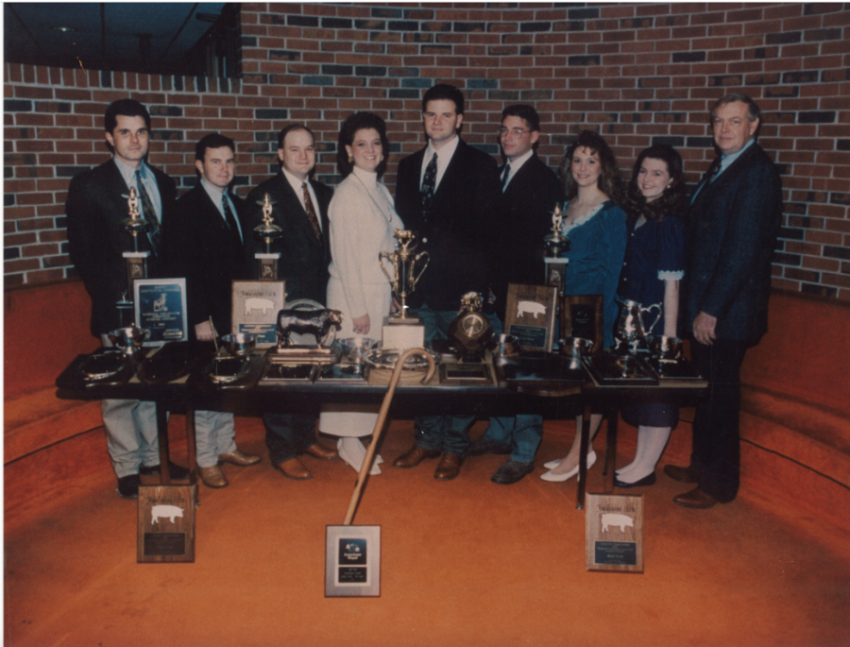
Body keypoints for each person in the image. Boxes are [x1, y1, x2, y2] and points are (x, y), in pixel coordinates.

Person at [66, 98, 188, 499]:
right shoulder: (89, 185)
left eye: (141, 131)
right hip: (118, 306)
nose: (135, 139)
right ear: (108, 137)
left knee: (158, 384)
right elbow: (83, 255)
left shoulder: (164, 183)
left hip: (162, 307)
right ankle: (127, 468)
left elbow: (170, 250)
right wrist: (113, 304)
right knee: (121, 391)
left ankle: (156, 456)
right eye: (125, 131)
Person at [665, 93, 782, 509]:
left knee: (719, 398)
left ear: (754, 126)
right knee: (707, 392)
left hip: (727, 313)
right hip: (714, 307)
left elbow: (741, 252)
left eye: (735, 121)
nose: (724, 129)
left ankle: (718, 484)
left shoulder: (756, 174)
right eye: (718, 121)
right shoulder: (725, 166)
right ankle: (701, 465)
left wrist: (710, 309)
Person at [392, 83, 500, 481]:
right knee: (421, 366)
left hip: (461, 291)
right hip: (418, 290)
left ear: (460, 120)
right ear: (423, 118)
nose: (437, 121)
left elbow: (488, 235)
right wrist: (399, 287)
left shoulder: (480, 165)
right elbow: (404, 234)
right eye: (430, 113)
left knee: (460, 370)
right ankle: (426, 439)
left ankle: (455, 446)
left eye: (445, 114)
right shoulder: (407, 167)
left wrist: (475, 292)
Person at [465, 105, 564, 484]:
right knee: (499, 367)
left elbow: (537, 247)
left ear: (535, 137)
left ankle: (524, 452)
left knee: (525, 374)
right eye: (504, 130)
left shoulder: (545, 181)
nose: (508, 137)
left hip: (527, 294)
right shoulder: (497, 173)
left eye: (517, 131)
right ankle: (498, 434)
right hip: (495, 289)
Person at [163, 133, 261, 489]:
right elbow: (181, 268)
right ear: (199, 165)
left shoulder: (236, 204)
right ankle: (206, 459)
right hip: (205, 318)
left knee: (228, 381)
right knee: (206, 388)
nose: (224, 168)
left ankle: (226, 446)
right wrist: (199, 317)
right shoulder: (184, 209)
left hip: (233, 313)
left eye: (229, 161)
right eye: (216, 161)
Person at [244, 124, 339, 480]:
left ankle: (304, 437)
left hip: (319, 300)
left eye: (309, 149)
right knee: (283, 376)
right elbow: (255, 259)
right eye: (294, 149)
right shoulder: (262, 197)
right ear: (280, 154)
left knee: (312, 372)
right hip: (283, 303)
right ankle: (282, 449)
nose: (303, 156)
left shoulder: (325, 194)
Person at [318, 112, 404, 475]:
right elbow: (346, 258)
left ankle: (357, 436)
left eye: (376, 143)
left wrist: (396, 291)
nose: (370, 150)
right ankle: (347, 440)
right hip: (352, 296)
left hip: (378, 292)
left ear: (383, 150)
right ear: (348, 151)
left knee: (370, 369)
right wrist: (356, 311)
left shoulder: (380, 189)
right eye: (361, 144)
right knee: (352, 368)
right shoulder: (346, 194)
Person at [540, 130, 627, 482]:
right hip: (562, 309)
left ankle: (577, 456)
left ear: (603, 166)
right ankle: (583, 449)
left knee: (588, 383)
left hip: (591, 312)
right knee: (574, 384)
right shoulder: (564, 207)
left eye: (591, 160)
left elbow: (613, 272)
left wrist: (603, 323)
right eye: (577, 159)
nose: (583, 166)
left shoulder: (611, 214)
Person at [612, 144, 687, 488]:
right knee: (643, 394)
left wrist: (669, 343)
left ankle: (646, 466)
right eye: (643, 171)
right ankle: (641, 462)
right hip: (632, 320)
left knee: (658, 395)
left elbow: (672, 285)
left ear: (671, 180)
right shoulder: (638, 215)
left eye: (657, 173)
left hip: (655, 323)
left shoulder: (669, 223)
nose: (647, 178)